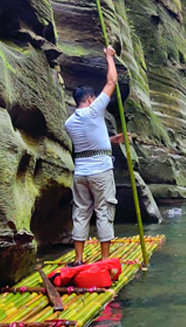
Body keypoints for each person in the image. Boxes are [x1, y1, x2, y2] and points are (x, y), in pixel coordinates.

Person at [64, 46, 126, 266]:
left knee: (80, 213)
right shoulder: (94, 110)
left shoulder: (69, 122)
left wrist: (110, 141)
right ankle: (104, 259)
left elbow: (86, 144)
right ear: (90, 99)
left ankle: (79, 259)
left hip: (81, 172)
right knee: (103, 210)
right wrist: (109, 57)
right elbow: (111, 82)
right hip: (100, 170)